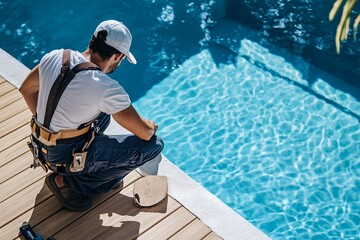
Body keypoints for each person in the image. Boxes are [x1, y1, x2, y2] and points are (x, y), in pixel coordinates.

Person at [19, 20, 164, 211]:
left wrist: (50, 126)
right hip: (64, 158)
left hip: (40, 145)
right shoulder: (105, 87)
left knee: (103, 114)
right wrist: (150, 126)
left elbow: (26, 89)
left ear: (93, 40)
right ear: (118, 56)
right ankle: (71, 183)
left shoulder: (55, 56)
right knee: (154, 145)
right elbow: (145, 134)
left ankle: (83, 167)